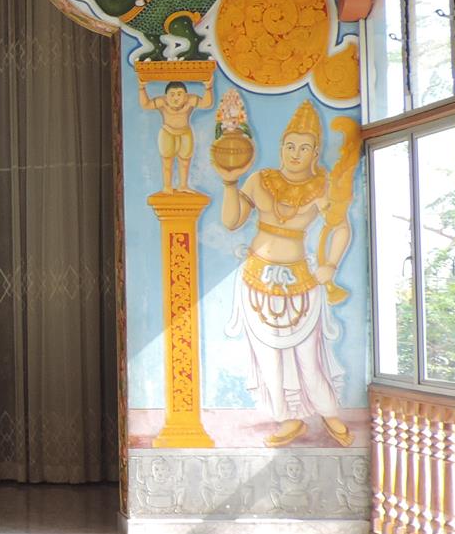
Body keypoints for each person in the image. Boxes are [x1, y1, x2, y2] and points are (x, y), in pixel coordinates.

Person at [215, 99, 358, 447]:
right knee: (268, 358)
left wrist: (331, 265)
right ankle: (287, 419)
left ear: (315, 153)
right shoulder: (260, 180)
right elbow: (232, 222)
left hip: (301, 281)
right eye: (290, 146)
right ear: (281, 148)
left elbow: (340, 228)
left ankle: (328, 414)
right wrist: (231, 184)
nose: (295, 153)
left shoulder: (322, 187)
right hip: (256, 278)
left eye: (304, 148)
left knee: (310, 358)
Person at [138, 75, 212, 192]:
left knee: (185, 161)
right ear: (166, 96)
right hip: (167, 132)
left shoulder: (190, 100)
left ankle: (183, 185)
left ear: (186, 95)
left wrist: (208, 87)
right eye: (172, 94)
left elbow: (206, 104)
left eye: (179, 94)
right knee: (167, 161)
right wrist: (142, 88)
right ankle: (167, 186)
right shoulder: (162, 102)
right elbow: (146, 105)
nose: (175, 98)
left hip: (185, 132)